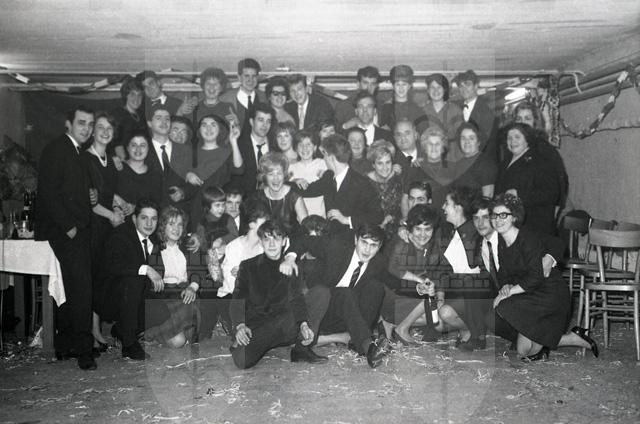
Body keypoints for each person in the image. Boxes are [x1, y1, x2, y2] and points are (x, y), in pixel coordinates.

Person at [489, 194, 597, 361]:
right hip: (531, 292)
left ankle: (548, 336)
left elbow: (536, 276)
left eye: (503, 215)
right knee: (523, 351)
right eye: (494, 215)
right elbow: (504, 272)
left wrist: (509, 292)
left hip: (549, 294)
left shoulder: (526, 238)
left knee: (504, 305)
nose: (498, 220)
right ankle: (574, 338)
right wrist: (505, 286)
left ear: (515, 217)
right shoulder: (502, 242)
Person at [35, 105, 96, 370]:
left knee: (73, 287)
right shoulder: (57, 149)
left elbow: (71, 189)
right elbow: (48, 194)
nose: (87, 128)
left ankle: (67, 345)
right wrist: (69, 227)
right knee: (81, 289)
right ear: (68, 124)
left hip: (76, 229)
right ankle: (84, 351)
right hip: (66, 231)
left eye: (90, 124)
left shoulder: (77, 151)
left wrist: (90, 194)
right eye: (82, 123)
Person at [282, 223, 392, 368]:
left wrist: (418, 288)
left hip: (348, 316)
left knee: (376, 287)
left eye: (373, 245)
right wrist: (289, 259)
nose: (367, 249)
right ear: (355, 240)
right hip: (319, 311)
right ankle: (368, 346)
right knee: (344, 293)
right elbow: (303, 240)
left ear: (379, 247)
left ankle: (356, 341)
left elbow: (394, 281)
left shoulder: (379, 261)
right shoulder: (336, 247)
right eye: (364, 243)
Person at [230, 219, 327, 369]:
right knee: (241, 361)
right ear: (261, 242)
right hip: (259, 327)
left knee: (320, 293)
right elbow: (238, 298)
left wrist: (303, 324)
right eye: (266, 239)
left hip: (285, 326)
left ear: (284, 241)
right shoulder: (248, 266)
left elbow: (297, 299)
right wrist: (240, 325)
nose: (272, 244)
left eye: (276, 238)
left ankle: (301, 350)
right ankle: (244, 343)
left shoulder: (292, 266)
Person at [81, 111, 125, 352]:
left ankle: (96, 328)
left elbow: (109, 193)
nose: (105, 132)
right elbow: (88, 201)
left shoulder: (111, 160)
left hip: (108, 227)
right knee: (91, 279)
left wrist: (119, 206)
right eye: (100, 127)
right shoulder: (85, 159)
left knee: (101, 279)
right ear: (92, 131)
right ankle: (91, 331)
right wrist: (112, 215)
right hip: (93, 226)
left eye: (109, 128)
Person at [103, 199, 160, 360]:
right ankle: (129, 344)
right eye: (144, 218)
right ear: (134, 219)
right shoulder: (121, 235)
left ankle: (122, 329)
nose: (149, 223)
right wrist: (146, 269)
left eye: (153, 219)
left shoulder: (155, 238)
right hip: (113, 295)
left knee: (162, 310)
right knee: (134, 280)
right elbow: (114, 266)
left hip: (138, 295)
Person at [384, 204, 449, 345]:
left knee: (439, 319)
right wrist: (419, 281)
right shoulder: (403, 243)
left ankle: (390, 324)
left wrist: (440, 297)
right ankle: (401, 328)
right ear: (410, 229)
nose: (422, 234)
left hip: (415, 297)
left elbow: (439, 272)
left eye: (427, 229)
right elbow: (393, 269)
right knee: (430, 306)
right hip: (394, 297)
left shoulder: (433, 246)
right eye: (418, 229)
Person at [296, 134, 383, 233]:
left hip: (352, 237)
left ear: (331, 157)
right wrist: (294, 181)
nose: (324, 159)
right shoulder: (328, 177)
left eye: (324, 155)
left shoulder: (360, 183)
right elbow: (307, 191)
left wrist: (347, 220)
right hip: (329, 236)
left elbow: (377, 216)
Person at [144, 206, 201, 348]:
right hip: (164, 297)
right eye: (171, 224)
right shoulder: (153, 248)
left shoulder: (188, 245)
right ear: (163, 226)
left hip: (185, 292)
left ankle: (148, 335)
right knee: (178, 341)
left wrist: (192, 287)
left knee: (190, 308)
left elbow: (197, 271)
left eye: (180, 225)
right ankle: (151, 333)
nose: (176, 229)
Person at [495, 123, 559, 235]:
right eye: (509, 138)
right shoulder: (505, 162)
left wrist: (519, 195)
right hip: (510, 224)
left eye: (517, 137)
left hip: (534, 226)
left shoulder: (540, 161)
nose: (512, 141)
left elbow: (552, 194)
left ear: (527, 139)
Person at [185, 114, 244, 229]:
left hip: (220, 208)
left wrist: (233, 141)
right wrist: (187, 174)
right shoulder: (191, 153)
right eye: (204, 125)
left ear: (220, 129)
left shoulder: (226, 152)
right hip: (197, 208)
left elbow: (239, 169)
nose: (208, 128)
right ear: (199, 130)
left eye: (213, 125)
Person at [514, 101, 568, 216]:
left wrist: (555, 210)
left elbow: (559, 184)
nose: (522, 123)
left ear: (535, 122)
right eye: (519, 119)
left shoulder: (543, 149)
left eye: (527, 119)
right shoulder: (513, 149)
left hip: (537, 214)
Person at [219, 201, 271, 298]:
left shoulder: (264, 247)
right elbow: (231, 285)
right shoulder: (234, 248)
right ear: (251, 224)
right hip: (231, 297)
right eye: (265, 224)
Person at [144, 104, 192, 208]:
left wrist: (183, 192)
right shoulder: (142, 149)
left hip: (178, 211)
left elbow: (196, 181)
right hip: (150, 211)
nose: (164, 122)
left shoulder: (186, 151)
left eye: (167, 119)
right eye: (158, 118)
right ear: (149, 123)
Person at [252, 152, 308, 235]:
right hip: (267, 240)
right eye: (271, 174)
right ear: (264, 176)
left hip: (293, 240)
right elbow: (256, 229)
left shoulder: (294, 195)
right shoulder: (258, 197)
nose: (276, 179)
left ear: (284, 175)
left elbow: (306, 228)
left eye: (279, 173)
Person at [230, 102, 274, 195]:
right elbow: (237, 173)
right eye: (261, 120)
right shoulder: (239, 144)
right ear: (251, 122)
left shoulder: (275, 145)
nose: (265, 125)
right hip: (245, 198)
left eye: (268, 121)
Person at [454, 70, 498, 159]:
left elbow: (488, 143)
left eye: (467, 84)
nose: (464, 89)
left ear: (476, 86)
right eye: (461, 86)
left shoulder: (487, 111)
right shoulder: (455, 109)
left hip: (480, 160)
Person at [116, 130, 164, 209]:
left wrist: (134, 208)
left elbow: (156, 206)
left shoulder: (155, 176)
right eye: (134, 145)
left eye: (142, 145)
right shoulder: (117, 168)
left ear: (148, 148)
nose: (138, 149)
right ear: (127, 148)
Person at [366, 140, 403, 239]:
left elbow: (401, 209)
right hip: (371, 232)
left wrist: (392, 217)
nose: (385, 167)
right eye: (380, 163)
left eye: (388, 162)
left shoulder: (398, 180)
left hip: (396, 232)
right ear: (373, 165)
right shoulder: (364, 182)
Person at [452, 122, 497, 199]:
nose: (467, 141)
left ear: (479, 141)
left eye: (471, 138)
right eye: (463, 138)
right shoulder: (459, 163)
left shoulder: (485, 163)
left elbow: (488, 195)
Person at [219, 58, 266, 131]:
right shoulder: (224, 99)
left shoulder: (264, 98)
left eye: (254, 76)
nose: (250, 80)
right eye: (246, 76)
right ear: (239, 77)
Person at [422, 73, 464, 156]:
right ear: (428, 90)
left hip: (452, 156)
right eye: (432, 87)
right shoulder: (422, 111)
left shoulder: (455, 110)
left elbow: (461, 136)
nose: (436, 91)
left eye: (439, 87)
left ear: (444, 90)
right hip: (429, 156)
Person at [289, 130, 327, 217]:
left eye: (308, 144)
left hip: (320, 216)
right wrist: (294, 181)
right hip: (299, 218)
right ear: (296, 148)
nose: (304, 148)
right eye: (300, 145)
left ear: (315, 147)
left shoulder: (323, 164)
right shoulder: (291, 168)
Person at [379, 65, 426, 131]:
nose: (401, 88)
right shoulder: (386, 108)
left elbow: (422, 131)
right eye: (398, 84)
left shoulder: (417, 110)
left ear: (409, 86)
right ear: (393, 86)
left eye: (404, 84)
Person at [110, 76, 146, 163]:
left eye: (139, 95)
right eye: (132, 94)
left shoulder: (142, 115)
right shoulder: (117, 114)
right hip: (124, 160)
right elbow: (117, 143)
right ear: (126, 95)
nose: (136, 99)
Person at [419, 127, 456, 208]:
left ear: (443, 148)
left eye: (437, 144)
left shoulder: (453, 167)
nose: (434, 147)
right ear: (425, 147)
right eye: (430, 144)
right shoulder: (417, 167)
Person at [334, 65, 382, 129]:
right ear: (358, 84)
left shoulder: (382, 105)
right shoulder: (343, 106)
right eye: (365, 83)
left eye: (373, 84)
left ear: (376, 86)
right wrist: (346, 126)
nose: (369, 88)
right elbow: (334, 130)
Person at [193, 186, 238, 250]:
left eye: (223, 205)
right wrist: (209, 247)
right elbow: (202, 244)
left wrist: (221, 240)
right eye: (217, 205)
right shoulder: (202, 223)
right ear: (208, 205)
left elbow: (235, 235)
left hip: (229, 250)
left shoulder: (228, 219)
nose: (221, 208)